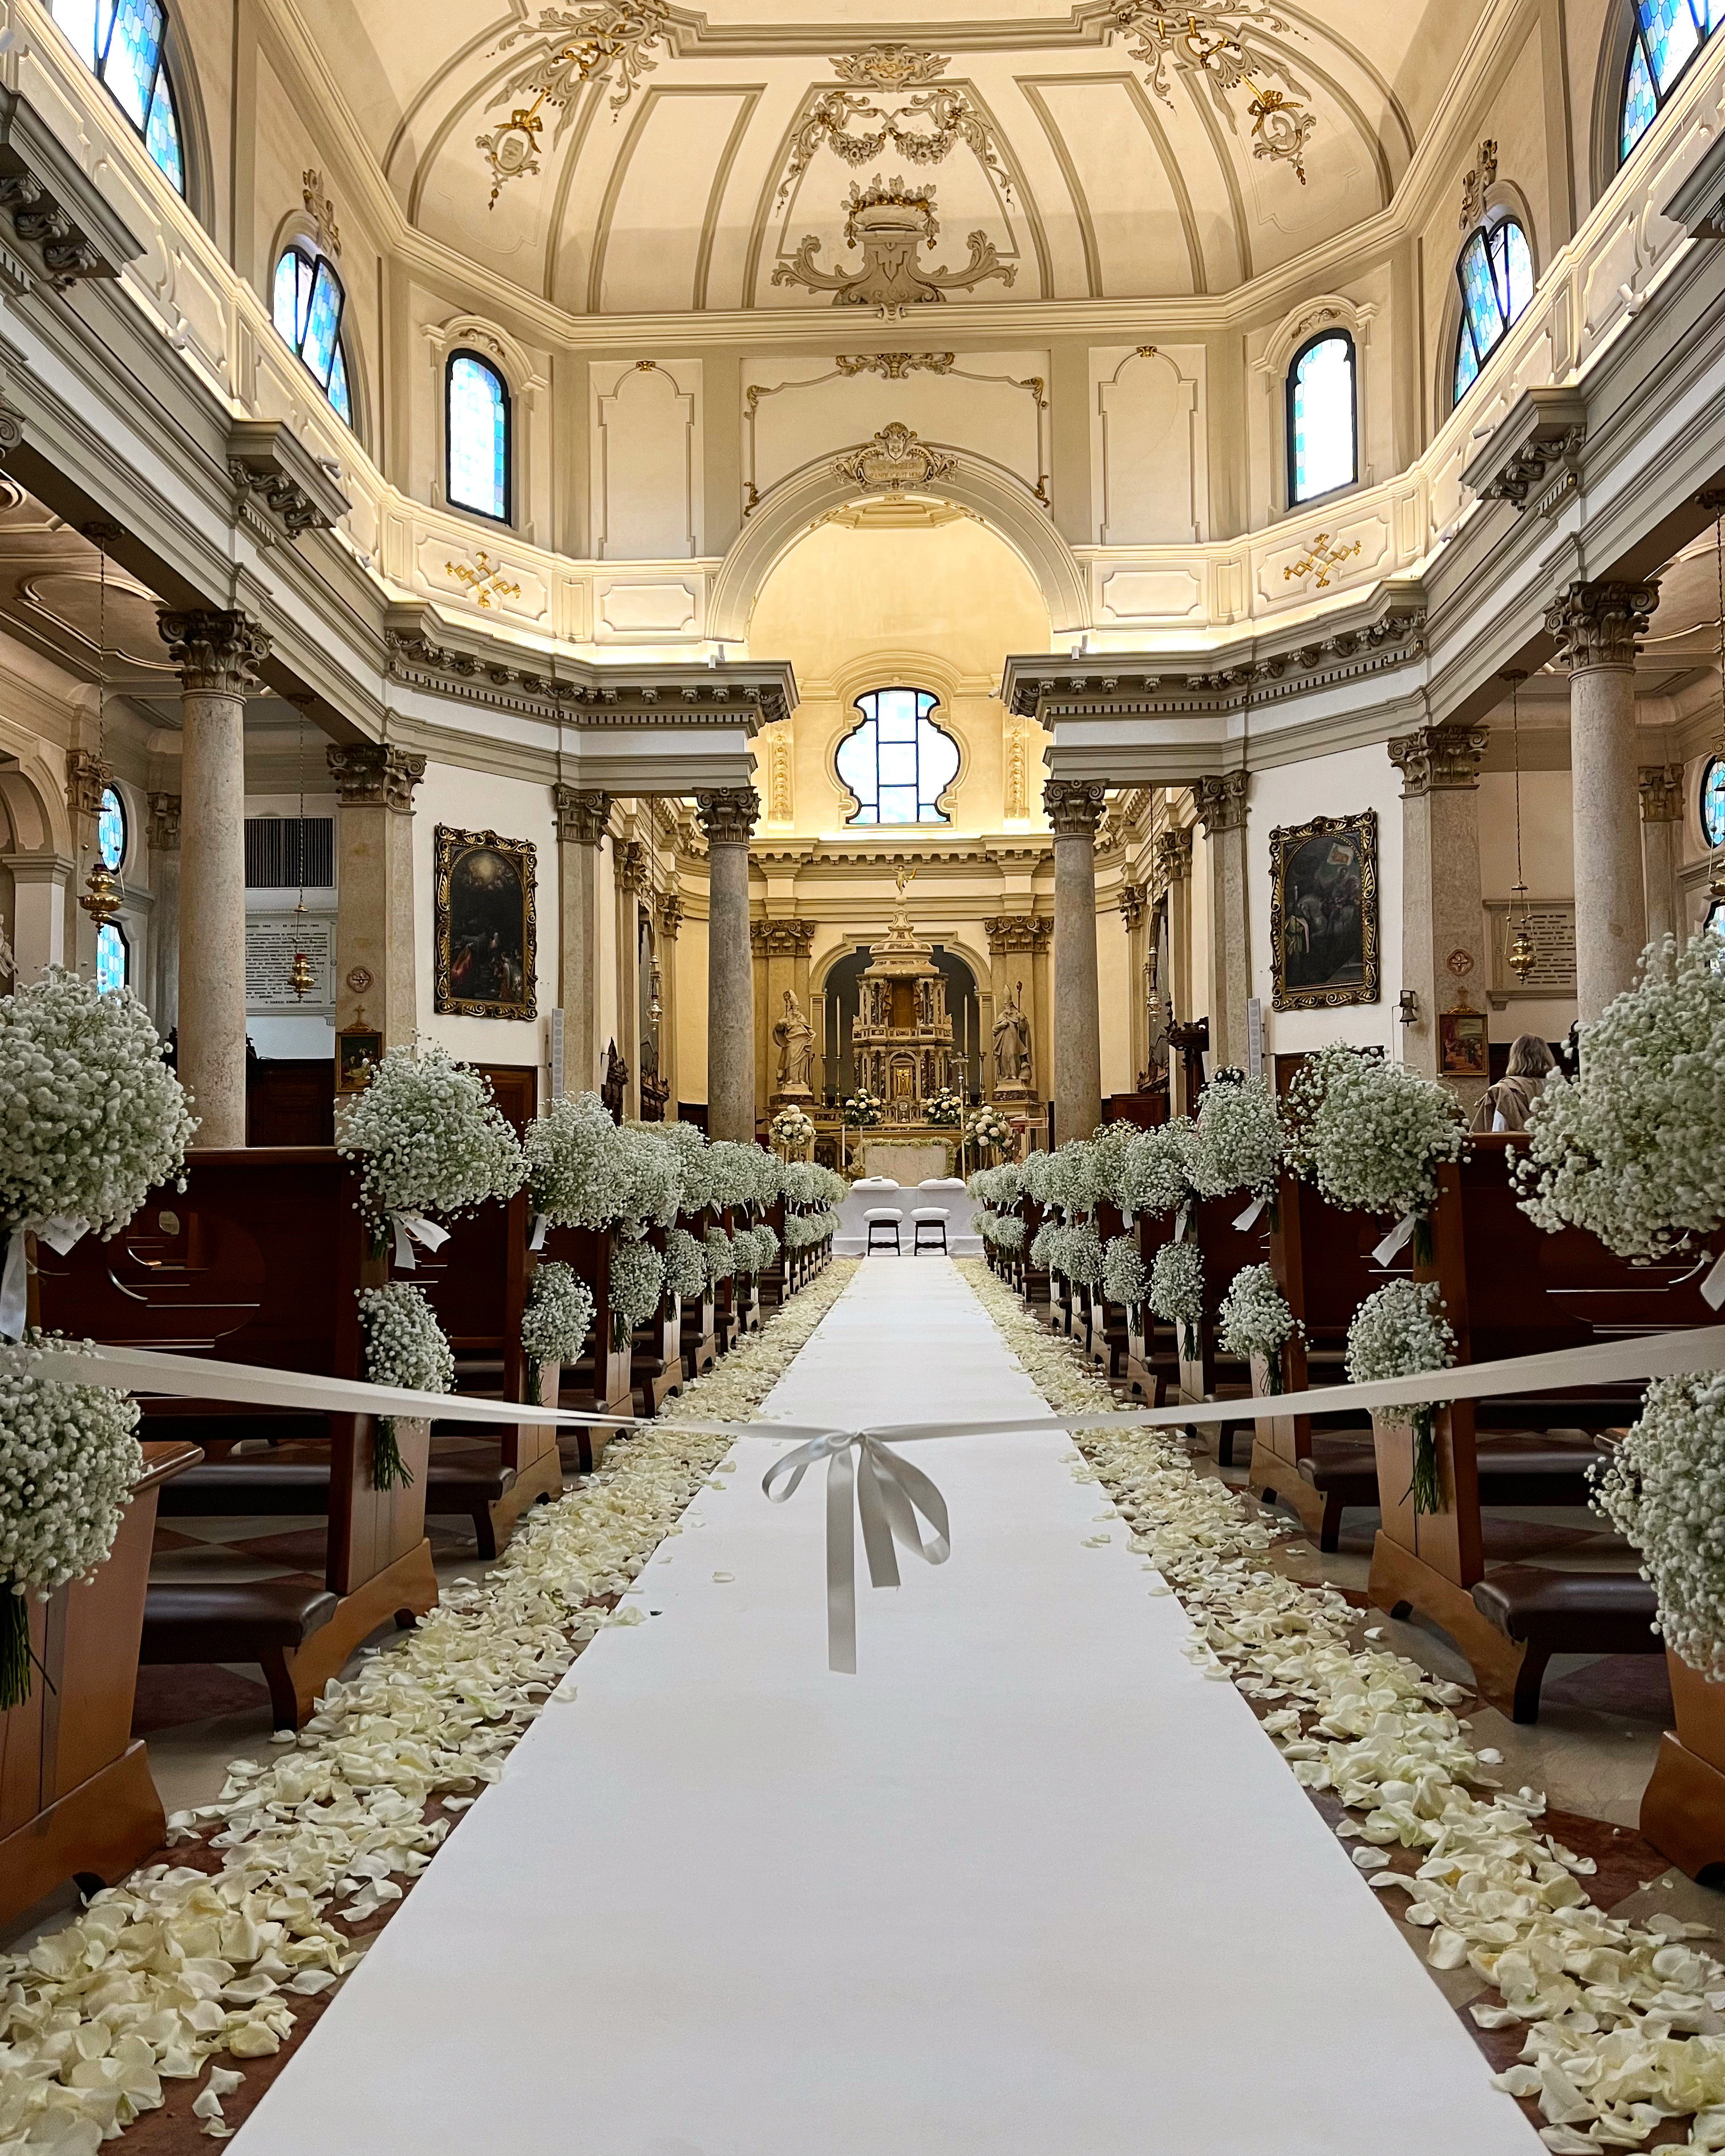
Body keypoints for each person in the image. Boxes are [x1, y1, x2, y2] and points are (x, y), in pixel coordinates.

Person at [1468, 1032, 1557, 1133]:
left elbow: (1499, 1132)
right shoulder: (1561, 1089)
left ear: (1515, 1058)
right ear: (1547, 1057)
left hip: (1515, 1143)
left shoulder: (1504, 1090)